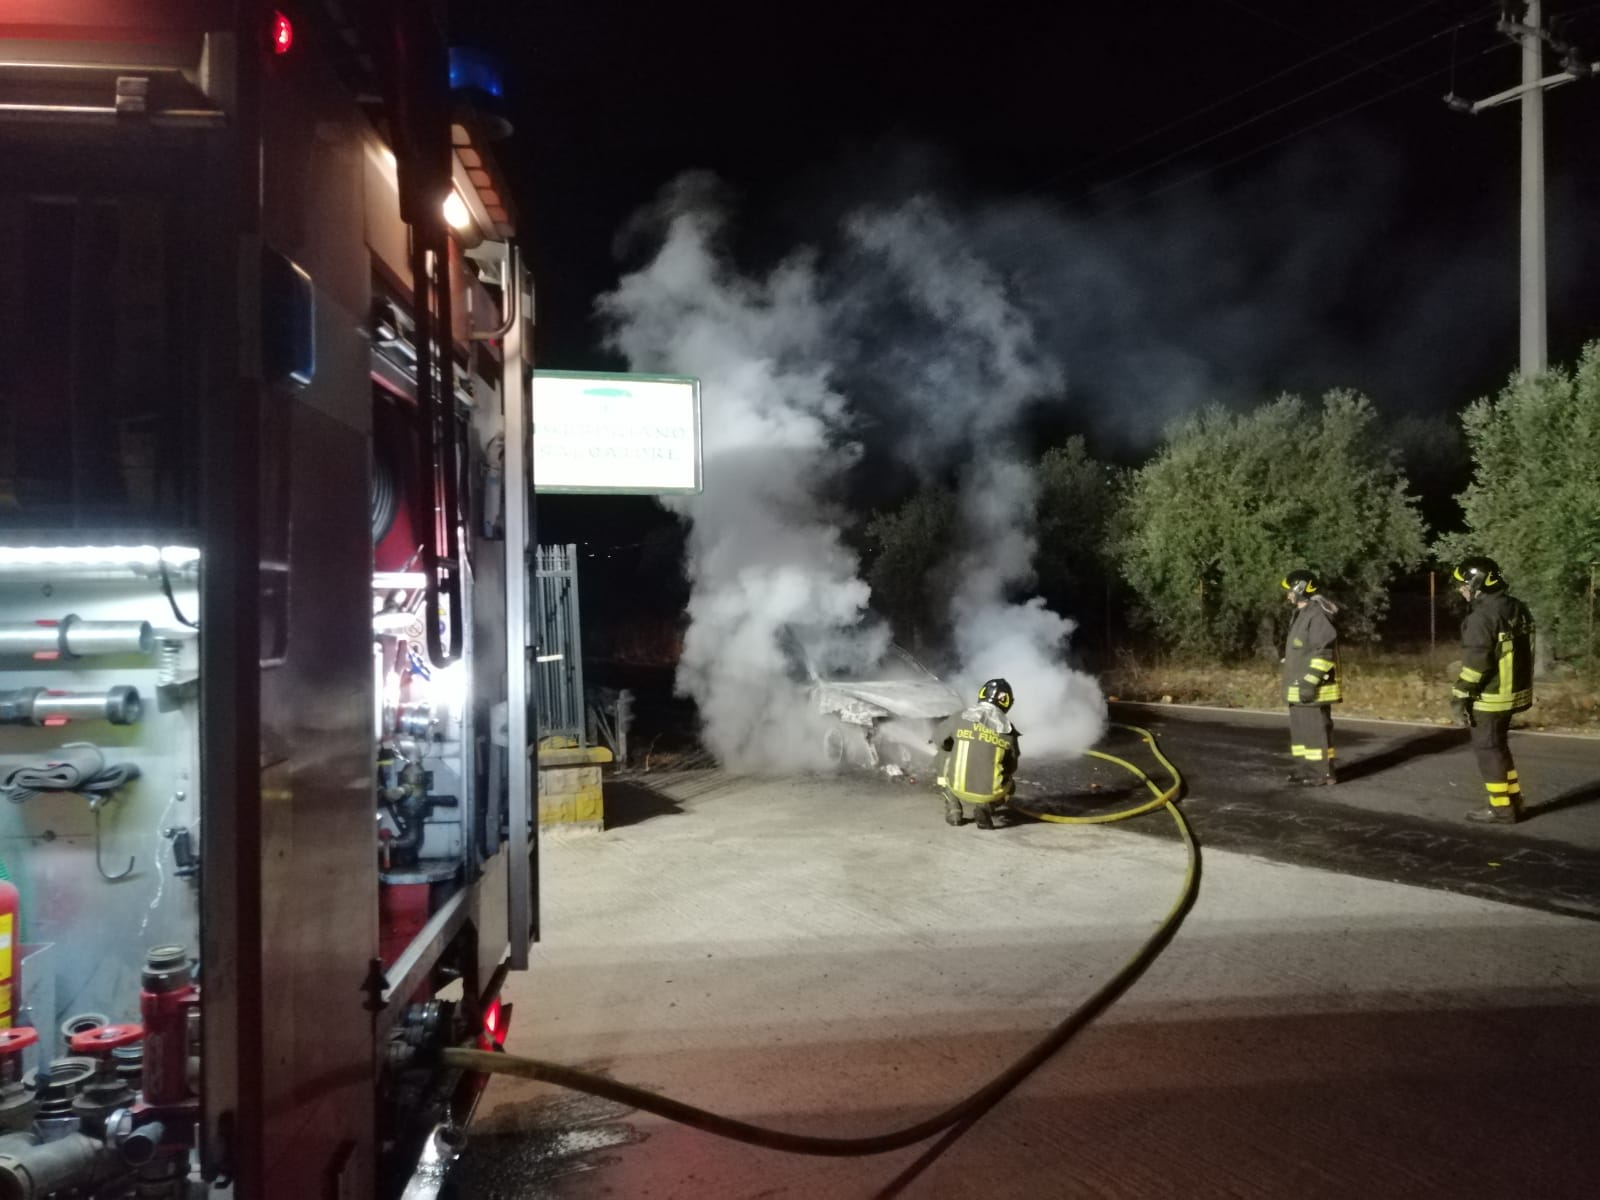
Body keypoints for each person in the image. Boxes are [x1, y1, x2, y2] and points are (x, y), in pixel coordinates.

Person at [1450, 556, 1535, 824]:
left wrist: (1461, 694)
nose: (1461, 590)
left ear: (1477, 584)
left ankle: (1501, 809)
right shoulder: (1515, 607)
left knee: (1488, 750)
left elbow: (1477, 663)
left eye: (1463, 584)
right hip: (1514, 692)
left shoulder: (1482, 616)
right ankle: (1514, 801)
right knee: (1499, 748)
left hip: (1491, 696)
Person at [1280, 570, 1341, 785]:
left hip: (1312, 688)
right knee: (1301, 732)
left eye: (1289, 591)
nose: (1287, 595)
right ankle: (1305, 769)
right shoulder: (1301, 614)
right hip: (1298, 688)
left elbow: (1323, 653)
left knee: (1316, 732)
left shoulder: (1317, 615)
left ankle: (1322, 773)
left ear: (1300, 589)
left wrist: (1310, 682)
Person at [937, 678, 1020, 830]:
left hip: (957, 786)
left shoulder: (960, 716)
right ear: (1007, 701)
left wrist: (954, 744)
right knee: (1011, 785)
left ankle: (953, 807)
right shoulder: (1008, 729)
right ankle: (986, 808)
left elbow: (939, 740)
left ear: (982, 694)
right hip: (991, 793)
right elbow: (1012, 766)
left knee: (943, 753)